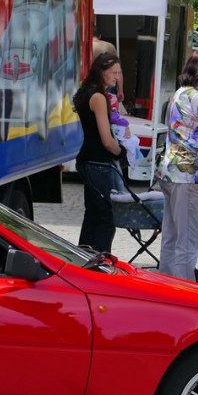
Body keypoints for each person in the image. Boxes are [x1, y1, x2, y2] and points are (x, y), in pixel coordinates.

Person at [157, 50, 198, 281]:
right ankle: (183, 289)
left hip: (171, 170)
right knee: (189, 236)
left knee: (171, 234)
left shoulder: (180, 93)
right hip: (188, 173)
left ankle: (165, 283)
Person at [72, 53, 125, 253]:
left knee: (92, 215)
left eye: (119, 72)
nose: (116, 77)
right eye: (113, 72)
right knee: (106, 218)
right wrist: (121, 151)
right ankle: (101, 264)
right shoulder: (98, 97)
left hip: (87, 159)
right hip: (98, 162)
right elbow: (106, 139)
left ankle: (84, 259)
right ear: (100, 72)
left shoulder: (87, 92)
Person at [91, 28, 123, 102]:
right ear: (99, 36)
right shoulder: (109, 46)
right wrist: (120, 90)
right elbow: (118, 71)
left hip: (90, 81)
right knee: (108, 104)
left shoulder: (84, 46)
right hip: (107, 81)